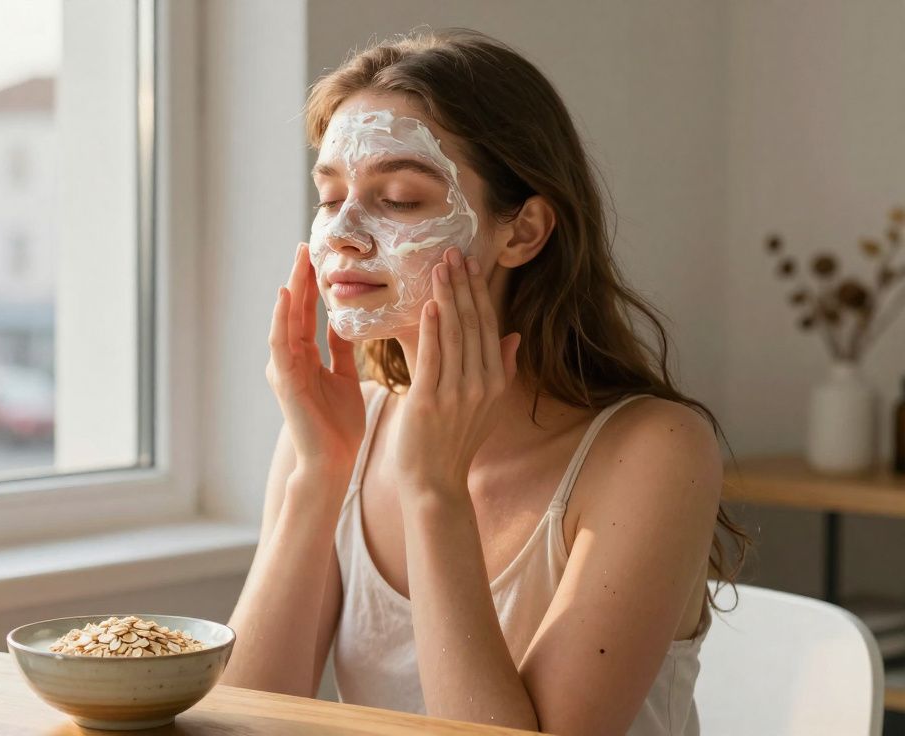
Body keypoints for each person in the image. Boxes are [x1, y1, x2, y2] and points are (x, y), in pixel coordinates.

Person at [220, 28, 748, 736]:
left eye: (400, 198)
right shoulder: (341, 431)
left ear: (523, 231)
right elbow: (240, 722)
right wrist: (317, 474)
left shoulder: (654, 452)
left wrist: (434, 490)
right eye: (330, 195)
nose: (341, 232)